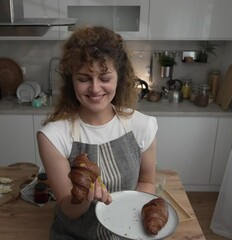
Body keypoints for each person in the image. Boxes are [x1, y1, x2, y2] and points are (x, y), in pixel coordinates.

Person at [37, 26, 158, 239]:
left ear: (119, 78)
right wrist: (83, 199)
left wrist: (128, 217)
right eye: (84, 78)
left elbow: (147, 181)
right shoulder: (54, 136)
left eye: (104, 78)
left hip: (128, 232)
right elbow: (67, 209)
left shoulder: (141, 126)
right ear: (71, 80)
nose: (94, 88)